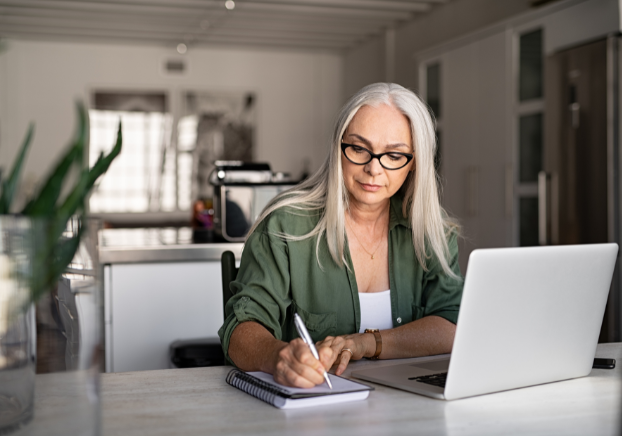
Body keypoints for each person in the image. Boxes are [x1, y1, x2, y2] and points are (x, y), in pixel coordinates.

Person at [218, 83, 463, 388]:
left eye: (394, 155)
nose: (374, 168)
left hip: (411, 404)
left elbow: (452, 325)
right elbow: (240, 330)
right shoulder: (284, 224)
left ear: (414, 164)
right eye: (359, 148)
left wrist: (366, 343)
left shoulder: (432, 230)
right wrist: (276, 356)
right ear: (339, 147)